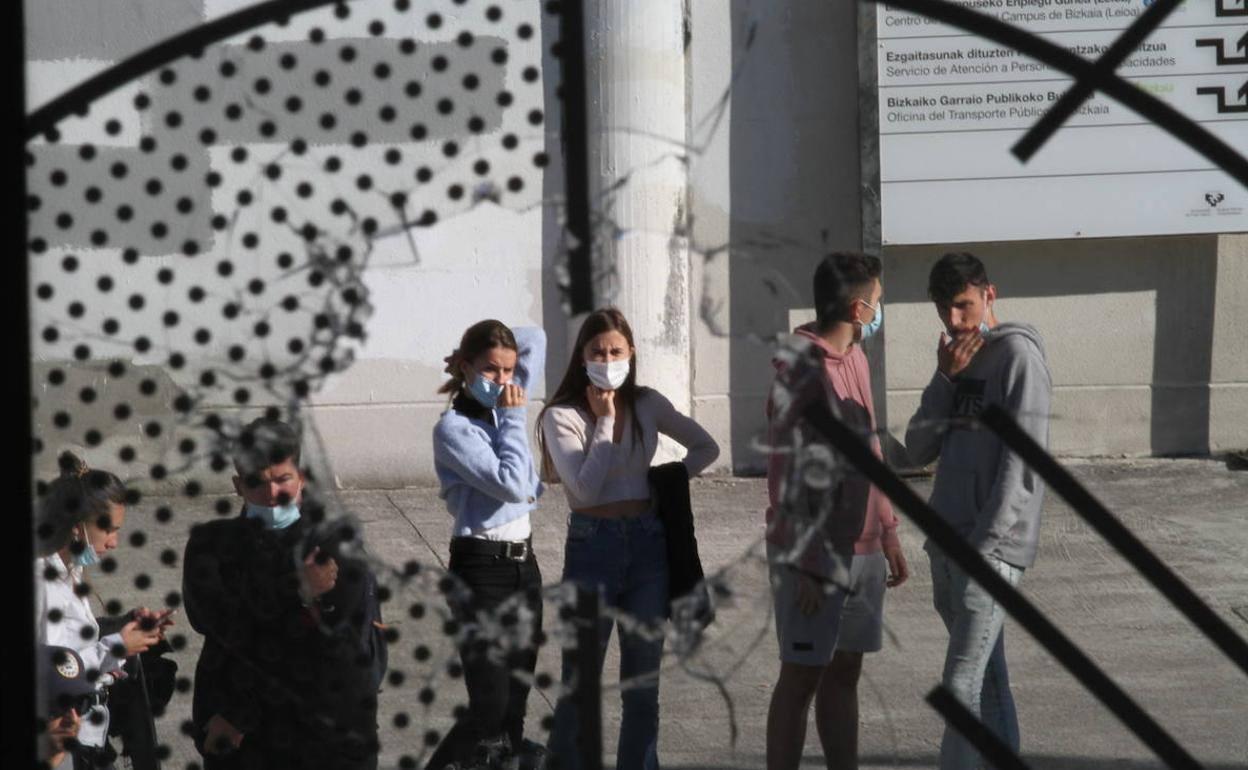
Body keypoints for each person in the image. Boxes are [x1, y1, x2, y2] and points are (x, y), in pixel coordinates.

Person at [539, 307, 719, 770]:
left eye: (615, 350)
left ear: (630, 353)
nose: (607, 357)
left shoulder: (648, 403)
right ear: (582, 356)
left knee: (642, 687)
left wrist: (667, 481)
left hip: (647, 546)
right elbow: (582, 488)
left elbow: (706, 446)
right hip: (591, 546)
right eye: (597, 350)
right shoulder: (562, 415)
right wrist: (602, 420)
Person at [904, 252, 1051, 769]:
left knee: (960, 684)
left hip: (988, 550)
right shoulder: (956, 359)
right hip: (947, 543)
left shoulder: (1018, 358)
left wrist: (982, 548)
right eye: (945, 309)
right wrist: (944, 379)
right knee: (988, 680)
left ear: (990, 295)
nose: (955, 320)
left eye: (964, 305)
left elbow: (1023, 466)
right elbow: (917, 449)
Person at [763, 252, 909, 770]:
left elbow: (869, 451)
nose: (879, 308)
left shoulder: (859, 360)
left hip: (863, 548)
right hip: (813, 558)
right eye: (878, 301)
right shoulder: (798, 369)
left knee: (845, 670)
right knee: (801, 675)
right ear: (857, 306)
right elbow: (785, 472)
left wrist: (888, 529)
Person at [183, 417, 386, 770]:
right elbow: (214, 623)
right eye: (256, 483)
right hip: (240, 737)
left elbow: (331, 653)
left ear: (301, 477)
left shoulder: (337, 545)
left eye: (282, 479)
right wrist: (299, 592)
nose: (272, 494)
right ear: (237, 485)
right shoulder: (212, 546)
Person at [425, 320, 547, 770]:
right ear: (467, 369)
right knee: (488, 709)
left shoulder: (504, 396)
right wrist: (515, 417)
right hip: (482, 572)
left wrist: (471, 349)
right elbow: (513, 484)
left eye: (508, 370)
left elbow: (535, 336)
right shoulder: (454, 429)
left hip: (523, 567)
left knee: (514, 705)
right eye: (490, 370)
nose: (502, 381)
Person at [35, 453, 170, 770]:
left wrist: (123, 626)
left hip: (86, 735)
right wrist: (119, 646)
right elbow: (51, 667)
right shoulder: (41, 582)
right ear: (77, 526)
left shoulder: (67, 572)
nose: (114, 543)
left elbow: (73, 641)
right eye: (108, 529)